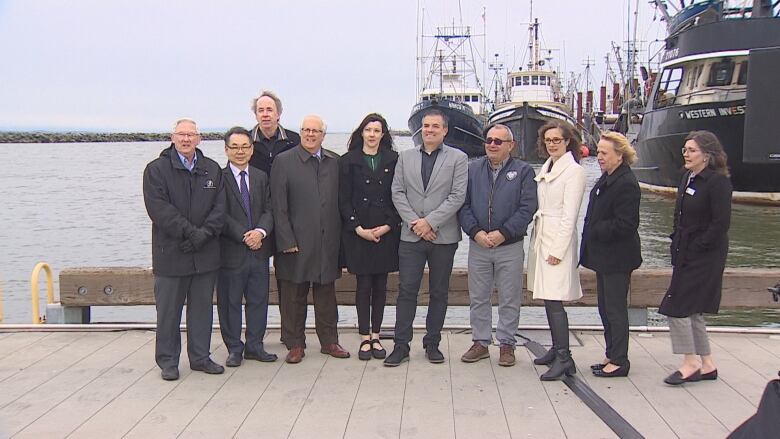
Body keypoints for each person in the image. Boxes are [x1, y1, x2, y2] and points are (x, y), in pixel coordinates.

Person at [142, 118, 225, 381]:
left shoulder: (212, 169)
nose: (186, 139)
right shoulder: (156, 170)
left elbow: (220, 209)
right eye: (181, 135)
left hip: (205, 253)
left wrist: (203, 235)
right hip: (171, 253)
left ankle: (200, 357)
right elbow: (159, 210)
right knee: (168, 313)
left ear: (199, 139)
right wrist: (189, 232)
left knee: (202, 310)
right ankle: (168, 361)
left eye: (191, 135)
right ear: (172, 137)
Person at [385, 109, 468, 366]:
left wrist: (430, 222)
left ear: (444, 130)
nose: (429, 130)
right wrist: (416, 224)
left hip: (443, 237)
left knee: (439, 292)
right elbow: (397, 192)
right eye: (425, 126)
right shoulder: (405, 157)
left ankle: (432, 343)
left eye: (435, 126)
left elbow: (457, 196)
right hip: (411, 237)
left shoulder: (458, 158)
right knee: (406, 291)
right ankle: (401, 345)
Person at [270, 115, 350, 363]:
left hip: (327, 242)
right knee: (294, 295)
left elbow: (342, 203)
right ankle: (295, 344)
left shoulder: (334, 162)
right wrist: (285, 240)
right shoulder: (284, 162)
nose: (310, 134)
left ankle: (329, 341)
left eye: (316, 131)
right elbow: (277, 205)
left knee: (326, 295)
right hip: (295, 242)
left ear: (323, 135)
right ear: (300, 132)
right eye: (306, 130)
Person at [458, 124, 537, 367]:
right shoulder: (472, 170)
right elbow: (463, 204)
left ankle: (506, 344)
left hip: (509, 246)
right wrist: (476, 231)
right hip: (479, 245)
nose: (492, 144)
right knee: (479, 296)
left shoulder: (523, 171)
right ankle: (481, 342)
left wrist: (503, 233)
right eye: (489, 140)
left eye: (498, 141)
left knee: (509, 296)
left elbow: (528, 207)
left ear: (510, 145)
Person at [659, 130, 732, 385]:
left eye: (692, 150)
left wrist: (699, 246)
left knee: (676, 307)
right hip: (684, 251)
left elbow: (720, 223)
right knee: (693, 310)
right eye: (685, 150)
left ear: (707, 155)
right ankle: (707, 364)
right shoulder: (688, 178)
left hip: (705, 256)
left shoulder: (717, 183)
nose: (686, 155)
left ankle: (690, 363)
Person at [527, 120, 586, 381]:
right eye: (548, 140)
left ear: (568, 141)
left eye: (557, 140)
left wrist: (559, 250)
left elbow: (570, 215)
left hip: (557, 240)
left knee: (555, 299)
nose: (552, 144)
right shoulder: (549, 166)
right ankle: (556, 348)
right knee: (548, 298)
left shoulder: (574, 172)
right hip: (542, 234)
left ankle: (564, 356)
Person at [580, 131, 642, 378]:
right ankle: (611, 352)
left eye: (605, 153)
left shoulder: (626, 183)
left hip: (618, 258)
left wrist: (596, 229)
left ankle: (620, 360)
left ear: (620, 155)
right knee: (605, 307)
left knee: (615, 309)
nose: (599, 157)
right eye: (599, 152)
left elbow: (627, 223)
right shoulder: (608, 177)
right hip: (604, 257)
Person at [338, 113, 400, 361]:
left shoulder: (394, 160)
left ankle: (377, 334)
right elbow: (343, 199)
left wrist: (388, 225)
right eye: (368, 130)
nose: (372, 134)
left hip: (385, 231)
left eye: (377, 130)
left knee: (381, 286)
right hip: (358, 232)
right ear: (361, 132)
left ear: (383, 134)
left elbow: (399, 195)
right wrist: (357, 228)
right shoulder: (348, 161)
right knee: (363, 286)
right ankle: (364, 336)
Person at [217, 126, 277, 367]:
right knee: (229, 302)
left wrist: (260, 232)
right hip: (231, 251)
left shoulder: (262, 177)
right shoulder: (218, 178)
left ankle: (255, 345)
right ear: (226, 150)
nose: (240, 151)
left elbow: (270, 209)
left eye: (245, 146)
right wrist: (244, 235)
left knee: (258, 300)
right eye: (235, 147)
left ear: (252, 149)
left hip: (259, 250)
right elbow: (218, 213)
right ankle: (234, 348)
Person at [248, 90, 301, 176]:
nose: (265, 114)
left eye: (269, 110)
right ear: (256, 115)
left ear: (278, 114)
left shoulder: (294, 140)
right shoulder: (246, 141)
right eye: (261, 110)